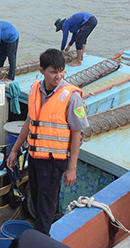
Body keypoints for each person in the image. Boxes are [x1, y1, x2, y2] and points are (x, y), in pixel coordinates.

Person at [6, 49, 88, 234]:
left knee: (46, 205)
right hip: (35, 157)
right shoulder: (35, 89)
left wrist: (72, 168)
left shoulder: (72, 97)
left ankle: (39, 247)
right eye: (53, 72)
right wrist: (15, 150)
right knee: (35, 198)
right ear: (42, 70)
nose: (58, 76)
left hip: (54, 162)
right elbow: (30, 121)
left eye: (61, 71)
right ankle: (40, 234)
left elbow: (77, 133)